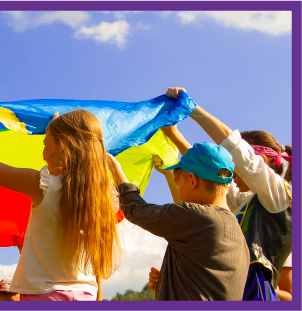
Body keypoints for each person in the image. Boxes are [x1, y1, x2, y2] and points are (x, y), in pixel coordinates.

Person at [0, 102, 120, 301]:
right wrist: (56, 129)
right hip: (86, 296)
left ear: (64, 144)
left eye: (46, 145)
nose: (43, 154)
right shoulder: (104, 197)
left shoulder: (43, 186)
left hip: (44, 296)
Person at [161, 87, 292, 301]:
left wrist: (192, 109)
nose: (231, 176)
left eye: (234, 168)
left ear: (262, 162)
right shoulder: (244, 201)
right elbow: (210, 171)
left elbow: (234, 147)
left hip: (256, 295)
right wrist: (175, 135)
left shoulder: (280, 197)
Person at [116, 143, 248, 300]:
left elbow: (134, 209)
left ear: (192, 180)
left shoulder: (197, 217)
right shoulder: (237, 232)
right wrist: (169, 283)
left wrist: (113, 167)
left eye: (178, 185)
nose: (178, 189)